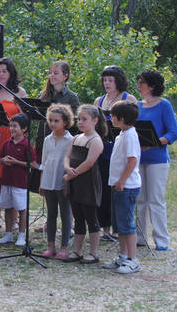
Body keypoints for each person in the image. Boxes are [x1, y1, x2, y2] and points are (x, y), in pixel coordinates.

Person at [135, 70, 177, 251]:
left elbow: (173, 133)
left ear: (152, 86)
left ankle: (161, 240)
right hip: (138, 158)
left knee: (155, 199)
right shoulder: (137, 105)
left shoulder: (164, 105)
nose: (138, 85)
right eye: (138, 82)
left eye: (142, 82)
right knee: (140, 199)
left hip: (157, 159)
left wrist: (154, 143)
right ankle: (139, 237)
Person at [94, 65, 137, 240]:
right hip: (103, 148)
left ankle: (119, 230)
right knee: (103, 188)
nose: (107, 83)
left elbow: (135, 122)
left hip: (120, 146)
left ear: (118, 81)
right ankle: (104, 227)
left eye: (110, 80)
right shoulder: (99, 100)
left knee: (118, 190)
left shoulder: (129, 98)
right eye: (105, 80)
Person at [0, 57, 27, 228]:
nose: (1, 74)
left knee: (8, 176)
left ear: (11, 73)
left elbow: (24, 116)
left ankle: (13, 218)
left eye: (4, 71)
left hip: (10, 135)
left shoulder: (19, 92)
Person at [62, 105, 107, 264]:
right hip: (75, 181)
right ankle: (77, 251)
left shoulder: (95, 140)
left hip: (87, 183)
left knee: (91, 218)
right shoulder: (76, 138)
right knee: (78, 217)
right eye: (79, 119)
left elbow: (89, 163)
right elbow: (67, 156)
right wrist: (67, 168)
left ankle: (94, 253)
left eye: (84, 119)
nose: (80, 122)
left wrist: (72, 174)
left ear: (95, 121)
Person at [103, 101, 142, 274]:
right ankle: (123, 256)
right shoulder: (121, 135)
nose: (110, 118)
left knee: (127, 223)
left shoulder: (131, 136)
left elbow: (132, 160)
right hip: (118, 185)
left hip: (127, 187)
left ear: (122, 118)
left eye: (113, 116)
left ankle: (133, 259)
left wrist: (121, 181)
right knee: (119, 224)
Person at [38, 104, 74, 259]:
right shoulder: (47, 139)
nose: (52, 124)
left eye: (56, 121)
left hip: (62, 181)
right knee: (51, 214)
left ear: (65, 122)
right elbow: (44, 162)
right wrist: (41, 182)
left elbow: (70, 163)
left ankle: (64, 247)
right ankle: (50, 246)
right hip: (48, 180)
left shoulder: (71, 140)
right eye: (50, 120)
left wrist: (67, 184)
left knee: (65, 214)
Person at [0, 113, 36, 247]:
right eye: (10, 126)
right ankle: (8, 234)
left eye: (15, 126)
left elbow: (33, 164)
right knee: (7, 206)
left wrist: (17, 162)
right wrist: (4, 161)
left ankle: (21, 235)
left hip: (20, 182)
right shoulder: (7, 143)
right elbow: (0, 158)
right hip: (6, 180)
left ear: (24, 129)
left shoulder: (26, 144)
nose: (12, 129)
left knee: (21, 208)